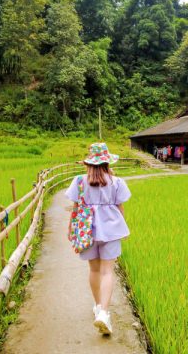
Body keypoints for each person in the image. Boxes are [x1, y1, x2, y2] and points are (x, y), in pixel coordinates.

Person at [65, 143, 132, 335]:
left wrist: (72, 231)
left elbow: (75, 209)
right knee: (107, 272)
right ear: (107, 162)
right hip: (110, 230)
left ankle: (97, 306)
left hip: (87, 231)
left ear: (89, 163)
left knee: (94, 270)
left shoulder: (78, 181)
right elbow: (120, 208)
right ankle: (103, 311)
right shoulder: (116, 182)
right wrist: (123, 229)